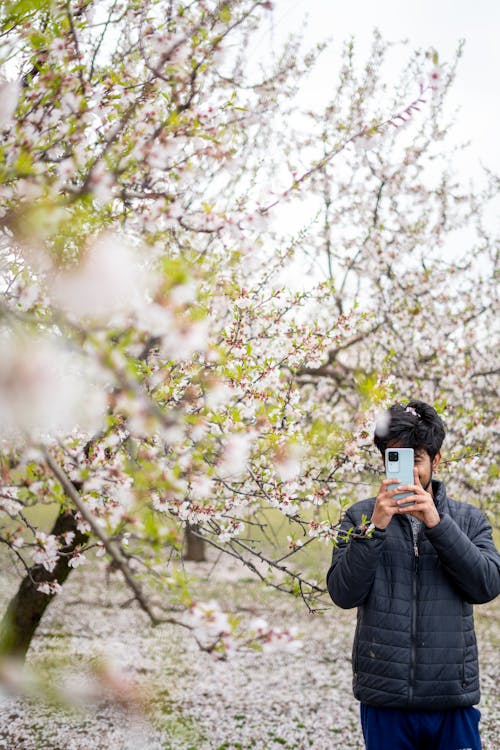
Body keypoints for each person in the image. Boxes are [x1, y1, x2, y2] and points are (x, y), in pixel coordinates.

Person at [326, 400, 500, 750]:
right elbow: (343, 593)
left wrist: (437, 523)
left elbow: (486, 585)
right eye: (395, 459)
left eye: (415, 460)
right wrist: (374, 528)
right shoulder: (360, 517)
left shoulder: (468, 520)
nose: (407, 471)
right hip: (384, 698)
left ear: (435, 461)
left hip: (452, 697)